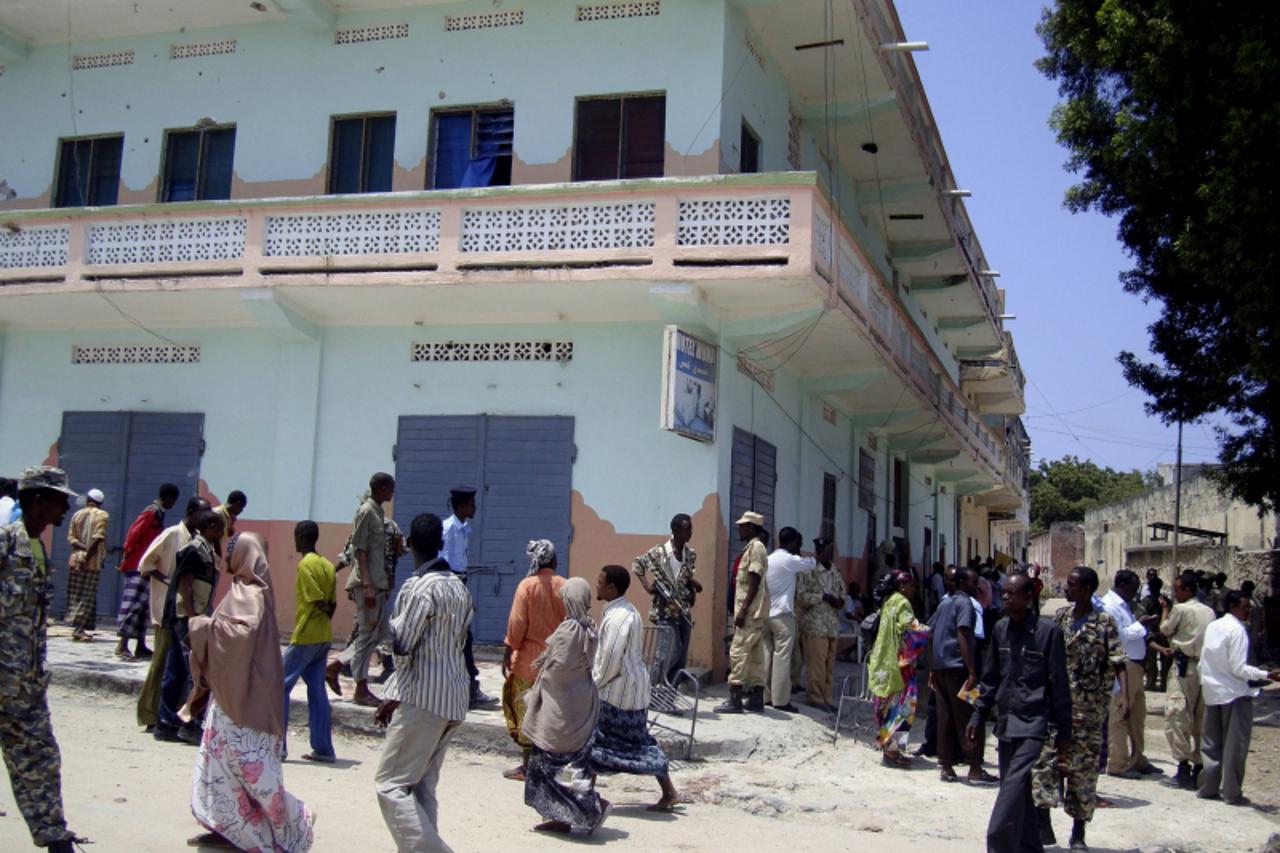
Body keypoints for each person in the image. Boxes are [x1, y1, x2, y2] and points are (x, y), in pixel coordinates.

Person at [186, 532, 314, 851]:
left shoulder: (252, 593)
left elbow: (241, 635)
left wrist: (202, 626)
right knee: (218, 765)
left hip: (246, 698)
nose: (226, 554)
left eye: (232, 549)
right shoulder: (245, 589)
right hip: (231, 692)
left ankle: (295, 820)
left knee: (252, 769)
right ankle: (224, 826)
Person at [374, 513, 473, 853]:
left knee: (390, 784)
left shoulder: (418, 588)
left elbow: (403, 644)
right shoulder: (459, 587)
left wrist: (391, 690)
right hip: (454, 697)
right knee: (421, 786)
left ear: (408, 545)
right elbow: (460, 642)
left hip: (423, 697)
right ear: (441, 543)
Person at [0, 467, 84, 852]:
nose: (65, 506)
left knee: (41, 760)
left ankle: (55, 838)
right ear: (38, 501)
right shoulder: (4, 542)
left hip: (25, 687)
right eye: (59, 499)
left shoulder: (38, 549)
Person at [967, 573, 1072, 853]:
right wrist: (978, 714)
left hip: (1033, 725)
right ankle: (1029, 846)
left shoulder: (1048, 633)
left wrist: (1065, 733)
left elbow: (1059, 685)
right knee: (1020, 794)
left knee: (1009, 793)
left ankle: (997, 845)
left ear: (1028, 598)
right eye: (1003, 592)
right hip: (1006, 723)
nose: (1004, 597)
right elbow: (990, 678)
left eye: (1011, 593)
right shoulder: (1000, 629)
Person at [1030, 566, 1126, 852]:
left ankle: (1078, 832)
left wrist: (1125, 698)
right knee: (1044, 764)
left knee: (1083, 772)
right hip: (1056, 707)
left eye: (1071, 585)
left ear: (1086, 589)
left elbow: (1118, 661)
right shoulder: (1061, 618)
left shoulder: (1104, 623)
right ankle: (1044, 825)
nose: (1066, 589)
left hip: (1088, 710)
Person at [520, 576, 607, 835]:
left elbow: (557, 669)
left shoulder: (570, 630)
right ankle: (570, 813)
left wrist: (537, 687)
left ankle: (587, 810)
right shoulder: (588, 627)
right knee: (573, 764)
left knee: (551, 764)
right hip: (582, 702)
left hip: (561, 708)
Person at [589, 564, 680, 810]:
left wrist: (593, 686)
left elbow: (609, 661)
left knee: (594, 741)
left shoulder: (617, 619)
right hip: (634, 692)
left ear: (611, 587)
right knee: (639, 743)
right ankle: (669, 791)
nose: (596, 585)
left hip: (617, 692)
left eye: (600, 581)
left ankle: (584, 797)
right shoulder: (627, 611)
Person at [1196, 590, 1280, 805]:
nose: (1249, 610)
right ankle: (1232, 793)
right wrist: (1266, 674)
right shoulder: (1237, 630)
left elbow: (1204, 659)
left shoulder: (1214, 626)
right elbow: (1238, 668)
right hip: (1234, 693)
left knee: (1211, 743)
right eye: (1245, 607)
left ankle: (1209, 786)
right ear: (1233, 606)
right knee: (1235, 745)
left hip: (1213, 691)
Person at [134, 496, 209, 730]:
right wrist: (168, 581)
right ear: (191, 512)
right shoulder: (171, 535)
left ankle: (169, 716)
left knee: (175, 667)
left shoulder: (197, 539)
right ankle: (149, 715)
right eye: (201, 514)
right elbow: (145, 565)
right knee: (161, 666)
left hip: (181, 611)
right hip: (166, 608)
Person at [327, 473, 395, 708]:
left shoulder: (378, 512)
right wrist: (366, 583)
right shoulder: (366, 512)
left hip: (377, 582)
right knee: (367, 634)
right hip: (368, 583)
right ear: (382, 488)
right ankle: (360, 687)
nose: (393, 493)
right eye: (390, 488)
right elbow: (359, 550)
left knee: (379, 632)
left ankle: (337, 665)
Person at [156, 509, 223, 744]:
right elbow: (184, 583)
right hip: (187, 617)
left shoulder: (207, 549)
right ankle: (189, 723)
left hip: (190, 617)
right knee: (196, 672)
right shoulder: (195, 549)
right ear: (211, 527)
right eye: (220, 528)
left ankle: (166, 722)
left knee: (177, 670)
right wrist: (194, 616)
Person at [501, 539, 567, 780]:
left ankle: (528, 766)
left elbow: (517, 626)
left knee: (526, 714)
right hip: (556, 665)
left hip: (528, 665)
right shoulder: (565, 586)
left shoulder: (526, 586)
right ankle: (550, 767)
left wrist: (509, 650)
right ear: (553, 561)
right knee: (550, 716)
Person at [930, 566, 996, 784]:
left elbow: (933, 633)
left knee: (945, 718)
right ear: (961, 583)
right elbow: (963, 633)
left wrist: (932, 666)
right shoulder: (964, 603)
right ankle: (975, 768)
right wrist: (971, 670)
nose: (976, 585)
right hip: (959, 668)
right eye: (972, 581)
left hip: (941, 668)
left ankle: (946, 766)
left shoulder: (944, 603)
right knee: (971, 716)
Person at [282, 520, 338, 763]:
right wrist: (326, 611)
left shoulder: (306, 564)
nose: (295, 540)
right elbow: (332, 604)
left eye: (296, 536)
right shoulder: (327, 564)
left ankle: (277, 746)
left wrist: (321, 607)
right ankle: (324, 749)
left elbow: (315, 598)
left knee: (279, 687)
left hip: (306, 634)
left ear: (302, 537)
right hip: (324, 634)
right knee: (317, 691)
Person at [1157, 570, 1216, 790]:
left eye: (1178, 589)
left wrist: (1165, 609)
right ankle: (1199, 765)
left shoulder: (1180, 609)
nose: (1176, 594)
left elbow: (1165, 629)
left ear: (1187, 590)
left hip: (1184, 668)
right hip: (1204, 668)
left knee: (1176, 714)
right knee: (1200, 717)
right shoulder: (1209, 611)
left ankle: (1183, 767)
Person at [441, 486, 498, 710]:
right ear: (462, 506)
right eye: (472, 504)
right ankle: (469, 689)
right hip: (451, 585)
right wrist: (459, 596)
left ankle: (464, 687)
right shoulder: (448, 530)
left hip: (459, 583)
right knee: (462, 638)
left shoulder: (463, 529)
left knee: (462, 638)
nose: (475, 508)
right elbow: (446, 566)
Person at [1100, 569, 1161, 777]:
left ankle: (1138, 758)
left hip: (1136, 665)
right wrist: (1140, 625)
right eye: (1134, 589)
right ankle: (1118, 762)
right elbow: (1118, 636)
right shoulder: (1109, 605)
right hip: (1124, 664)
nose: (1136, 594)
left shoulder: (1125, 605)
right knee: (1120, 714)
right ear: (1123, 586)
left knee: (1137, 715)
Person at [867, 570, 930, 766]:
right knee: (902, 708)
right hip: (899, 665)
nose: (914, 590)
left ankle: (888, 747)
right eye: (912, 586)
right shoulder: (902, 603)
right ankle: (892, 751)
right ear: (903, 586)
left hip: (882, 660)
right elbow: (911, 629)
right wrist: (929, 630)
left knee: (885, 706)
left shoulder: (887, 601)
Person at [632, 513, 702, 685]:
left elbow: (684, 577)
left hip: (683, 610)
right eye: (688, 529)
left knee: (681, 658)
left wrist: (692, 586)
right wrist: (648, 586)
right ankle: (653, 689)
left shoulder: (690, 555)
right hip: (665, 611)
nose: (691, 533)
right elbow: (637, 564)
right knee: (668, 654)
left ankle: (670, 694)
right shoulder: (659, 553)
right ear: (676, 530)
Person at [115, 483, 179, 661]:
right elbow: (134, 534)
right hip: (137, 566)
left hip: (147, 568)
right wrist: (129, 556)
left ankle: (140, 645)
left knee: (144, 608)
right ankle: (122, 645)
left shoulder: (159, 513)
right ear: (168, 498)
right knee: (133, 605)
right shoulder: (151, 512)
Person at [716, 512, 771, 715]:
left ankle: (735, 699)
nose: (739, 529)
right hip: (755, 612)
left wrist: (743, 610)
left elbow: (754, 580)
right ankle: (757, 698)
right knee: (757, 656)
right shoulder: (754, 548)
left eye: (742, 526)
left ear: (751, 527)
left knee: (737, 652)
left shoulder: (756, 548)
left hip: (749, 612)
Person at [762, 526, 815, 711]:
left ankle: (765, 696)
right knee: (783, 658)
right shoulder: (789, 560)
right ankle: (781, 700)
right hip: (783, 615)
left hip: (766, 614)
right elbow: (810, 564)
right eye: (798, 544)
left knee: (767, 656)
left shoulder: (768, 559)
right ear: (792, 543)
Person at [795, 537, 843, 711]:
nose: (827, 553)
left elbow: (841, 592)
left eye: (830, 550)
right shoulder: (808, 571)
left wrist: (840, 601)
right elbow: (801, 596)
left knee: (829, 664)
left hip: (831, 624)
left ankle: (827, 697)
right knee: (817, 664)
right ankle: (815, 696)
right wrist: (822, 597)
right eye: (823, 550)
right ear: (818, 550)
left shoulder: (835, 571)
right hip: (815, 624)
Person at [65, 487, 109, 642]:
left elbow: (71, 538)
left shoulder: (77, 514)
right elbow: (98, 539)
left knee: (75, 595)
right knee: (87, 596)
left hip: (76, 558)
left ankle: (77, 627)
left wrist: (82, 549)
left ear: (87, 500)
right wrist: (88, 556)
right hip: (91, 562)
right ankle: (79, 629)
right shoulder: (102, 515)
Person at [1140, 576, 1171, 692]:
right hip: (1163, 632)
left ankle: (1151, 683)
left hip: (1151, 632)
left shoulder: (1146, 601)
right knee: (1164, 660)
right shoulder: (1166, 600)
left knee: (1151, 661)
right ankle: (1163, 684)